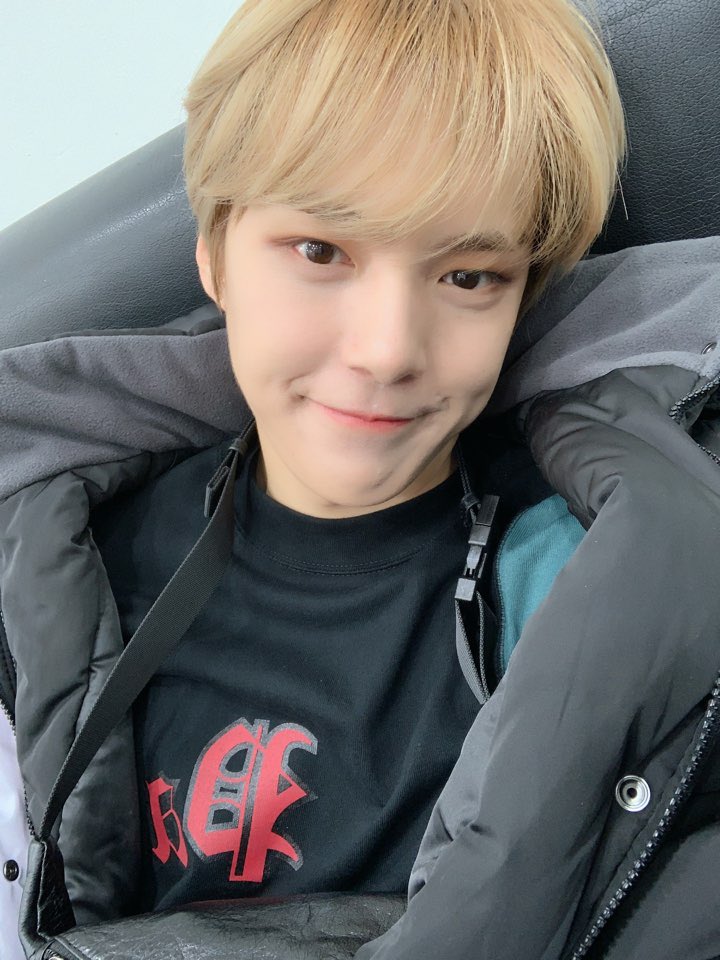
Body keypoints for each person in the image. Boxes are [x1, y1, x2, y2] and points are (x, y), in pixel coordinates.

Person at [1, 1, 720, 958]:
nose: (388, 350)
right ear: (214, 254)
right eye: (321, 251)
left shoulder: (580, 581)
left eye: (469, 276)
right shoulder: (62, 570)